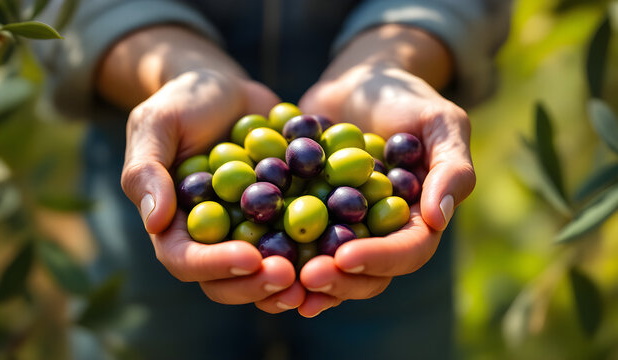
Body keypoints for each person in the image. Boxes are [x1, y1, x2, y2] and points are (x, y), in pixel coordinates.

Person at [35, 0, 510, 358]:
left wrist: (399, 53)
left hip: (390, 238)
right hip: (160, 157)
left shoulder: (349, 184)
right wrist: (170, 68)